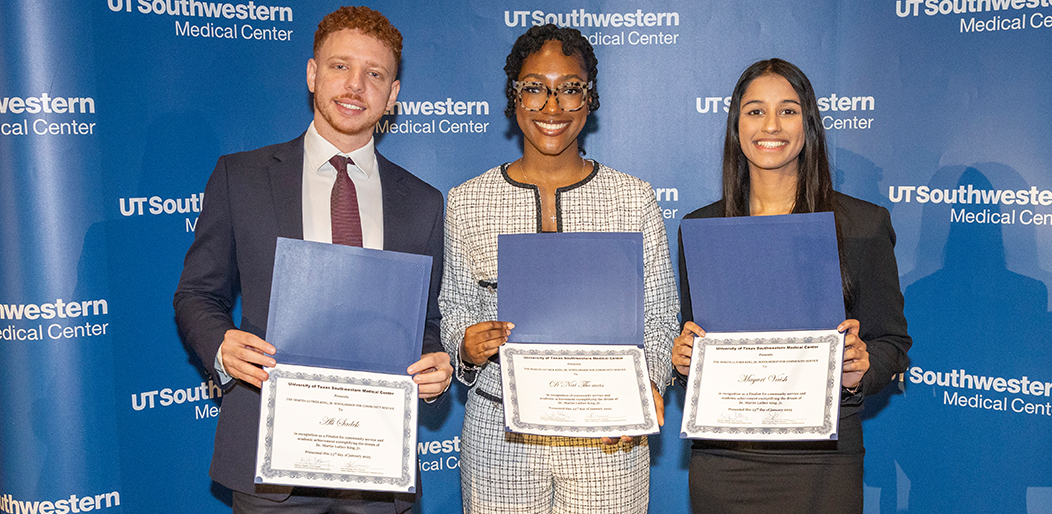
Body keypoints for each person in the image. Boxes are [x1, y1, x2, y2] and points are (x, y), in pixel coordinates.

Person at [173, 6, 452, 513]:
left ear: (392, 96)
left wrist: (434, 364)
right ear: (311, 74)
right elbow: (197, 293)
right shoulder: (243, 177)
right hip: (269, 463)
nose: (354, 86)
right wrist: (220, 344)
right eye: (340, 66)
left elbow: (425, 322)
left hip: (377, 466)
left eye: (375, 74)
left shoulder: (424, 202)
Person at [439, 24, 678, 514]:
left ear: (589, 99)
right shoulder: (468, 201)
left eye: (570, 88)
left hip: (609, 435)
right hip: (499, 437)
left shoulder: (633, 199)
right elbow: (452, 315)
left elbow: (659, 320)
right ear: (514, 97)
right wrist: (466, 345)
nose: (552, 107)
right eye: (535, 88)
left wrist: (650, 381)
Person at [670, 58, 912, 514]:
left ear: (809, 125)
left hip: (822, 461)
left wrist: (864, 366)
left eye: (788, 110)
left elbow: (892, 342)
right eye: (755, 111)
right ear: (736, 127)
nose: (771, 125)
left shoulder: (862, 223)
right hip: (724, 459)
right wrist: (686, 360)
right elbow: (696, 335)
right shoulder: (701, 228)